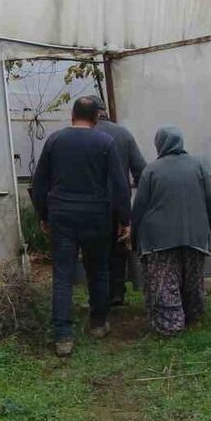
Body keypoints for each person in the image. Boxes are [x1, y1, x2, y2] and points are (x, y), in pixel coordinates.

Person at [29, 96, 131, 356]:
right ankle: (98, 323)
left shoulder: (55, 141)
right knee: (98, 270)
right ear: (96, 118)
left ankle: (63, 336)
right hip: (97, 215)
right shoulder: (105, 142)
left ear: (71, 115)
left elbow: (40, 183)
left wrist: (43, 214)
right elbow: (120, 185)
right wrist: (124, 219)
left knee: (63, 274)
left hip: (62, 215)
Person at [131, 126, 211, 336]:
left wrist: (135, 238)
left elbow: (139, 207)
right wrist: (210, 230)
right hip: (195, 235)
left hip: (158, 239)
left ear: (159, 144)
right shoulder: (198, 167)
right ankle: (193, 318)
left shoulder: (151, 170)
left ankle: (170, 325)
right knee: (192, 281)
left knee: (164, 282)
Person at [82, 96, 146, 308]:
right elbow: (141, 170)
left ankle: (97, 298)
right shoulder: (123, 134)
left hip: (90, 204)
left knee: (93, 252)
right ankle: (117, 293)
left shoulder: (83, 134)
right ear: (105, 110)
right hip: (119, 202)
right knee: (118, 249)